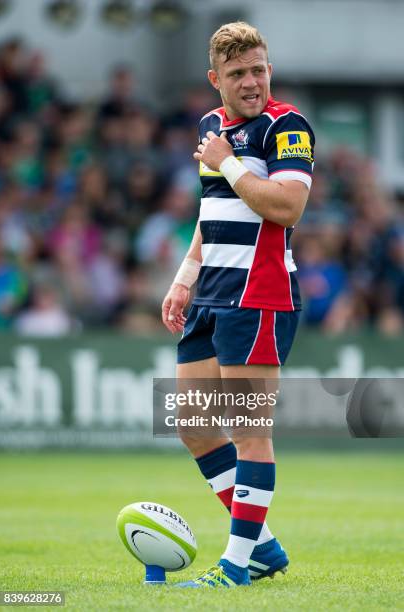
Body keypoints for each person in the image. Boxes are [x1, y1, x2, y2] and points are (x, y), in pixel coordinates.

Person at [161, 21, 315, 588]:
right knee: (196, 425)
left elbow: (288, 208)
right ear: (215, 79)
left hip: (259, 293)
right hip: (211, 292)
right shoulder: (212, 127)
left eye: (258, 69)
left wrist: (227, 160)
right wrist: (184, 277)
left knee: (248, 428)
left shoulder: (287, 125)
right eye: (238, 74)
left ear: (268, 69)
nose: (252, 82)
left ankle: (235, 565)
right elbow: (212, 213)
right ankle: (265, 548)